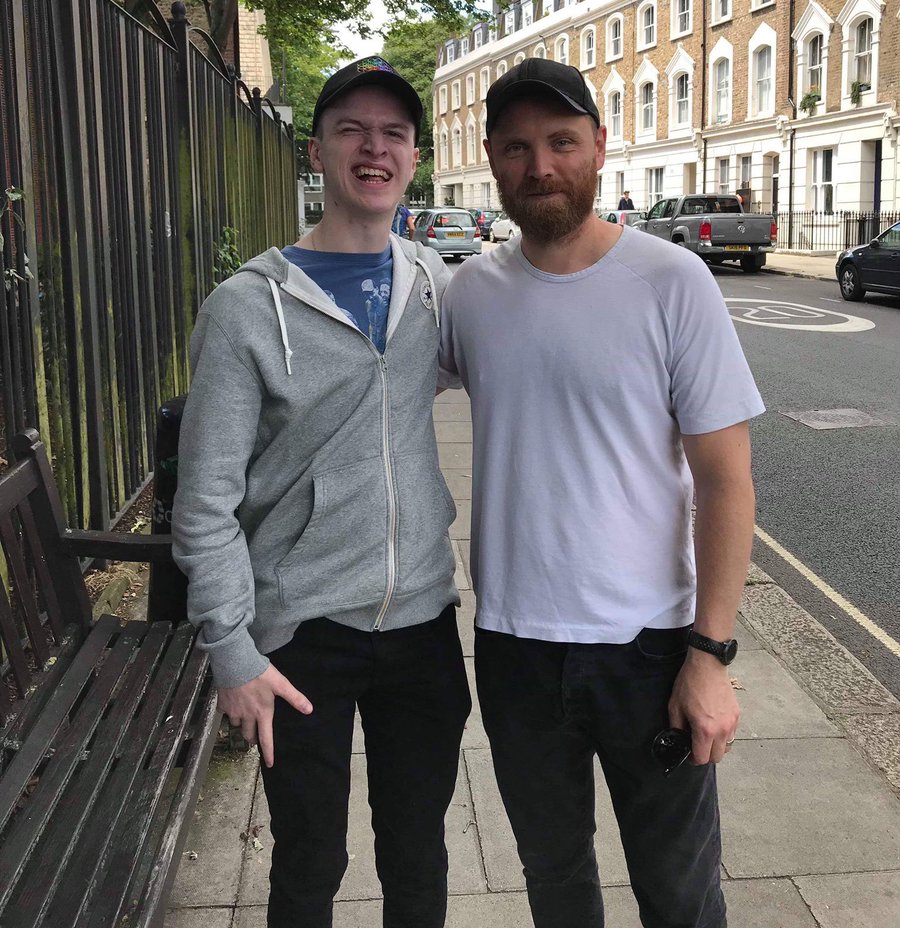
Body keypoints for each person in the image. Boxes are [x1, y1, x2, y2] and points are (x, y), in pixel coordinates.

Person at [438, 57, 763, 928]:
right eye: (516, 147)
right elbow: (371, 396)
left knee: (681, 894)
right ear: (493, 158)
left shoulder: (671, 282)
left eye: (561, 142)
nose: (540, 166)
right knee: (556, 885)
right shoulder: (469, 293)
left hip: (651, 648)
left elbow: (726, 481)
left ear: (599, 149)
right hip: (514, 648)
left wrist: (711, 657)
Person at [172, 55, 470, 928]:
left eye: (394, 134)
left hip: (422, 624)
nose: (374, 149)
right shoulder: (246, 308)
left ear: (414, 157)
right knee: (310, 858)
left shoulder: (434, 287)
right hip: (300, 638)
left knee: (418, 850)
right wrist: (234, 653)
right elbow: (205, 505)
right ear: (317, 152)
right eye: (353, 130)